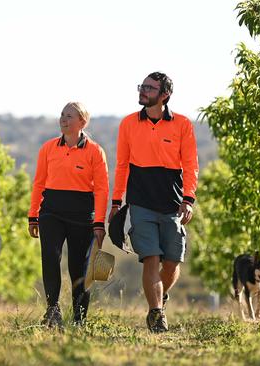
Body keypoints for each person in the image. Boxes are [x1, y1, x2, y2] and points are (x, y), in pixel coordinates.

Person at [108, 72, 198, 333]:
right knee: (151, 257)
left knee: (172, 261)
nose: (143, 91)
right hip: (140, 204)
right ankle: (156, 313)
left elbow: (191, 165)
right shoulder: (128, 124)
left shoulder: (182, 124)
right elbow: (122, 165)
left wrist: (188, 199)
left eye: (149, 88)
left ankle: (159, 297)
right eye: (142, 86)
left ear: (164, 95)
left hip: (172, 205)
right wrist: (116, 202)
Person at [28, 102, 109, 328]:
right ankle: (52, 311)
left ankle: (79, 319)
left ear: (82, 122)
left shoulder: (95, 151)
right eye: (62, 115)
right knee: (50, 259)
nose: (63, 119)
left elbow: (102, 189)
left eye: (69, 116)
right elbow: (39, 183)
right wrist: (33, 215)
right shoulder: (48, 148)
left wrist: (99, 223)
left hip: (82, 216)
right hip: (51, 212)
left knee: (79, 268)